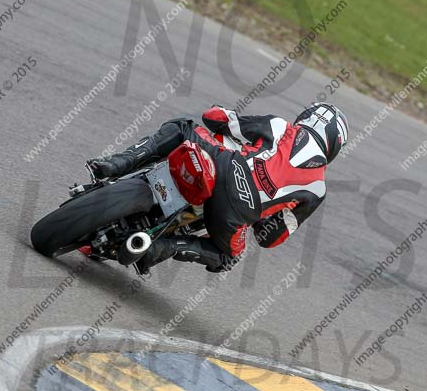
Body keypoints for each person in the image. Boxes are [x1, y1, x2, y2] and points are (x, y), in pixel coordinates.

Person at [87, 103, 348, 273]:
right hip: (236, 214)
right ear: (334, 147)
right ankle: (160, 248)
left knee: (182, 127)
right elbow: (269, 238)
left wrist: (219, 110)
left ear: (305, 117)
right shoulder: (317, 189)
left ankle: (114, 164)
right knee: (227, 256)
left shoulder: (280, 126)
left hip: (223, 165)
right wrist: (262, 213)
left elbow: (215, 118)